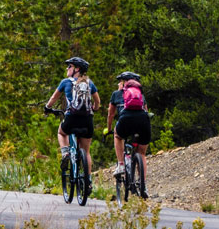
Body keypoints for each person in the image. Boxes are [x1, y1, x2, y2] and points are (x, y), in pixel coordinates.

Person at [45, 56, 100, 184]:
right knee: (86, 152)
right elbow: (97, 101)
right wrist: (94, 108)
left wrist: (47, 108)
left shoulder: (66, 82)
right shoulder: (89, 83)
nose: (67, 68)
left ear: (77, 69)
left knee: (61, 132)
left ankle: (65, 153)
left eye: (69, 66)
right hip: (87, 119)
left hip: (72, 117)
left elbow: (53, 98)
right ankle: (88, 181)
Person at [108, 70, 151, 199]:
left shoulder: (116, 94)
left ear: (123, 82)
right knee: (141, 153)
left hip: (126, 120)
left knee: (117, 135)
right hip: (143, 121)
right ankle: (143, 184)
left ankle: (121, 165)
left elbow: (110, 114)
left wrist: (109, 128)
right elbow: (146, 111)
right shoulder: (141, 95)